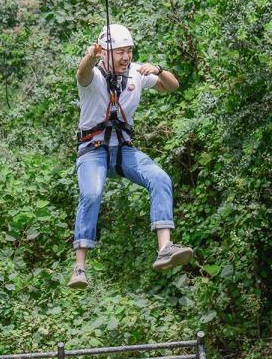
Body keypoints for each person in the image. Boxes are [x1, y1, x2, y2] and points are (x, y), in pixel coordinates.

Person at [68, 23, 194, 289]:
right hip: (93, 151)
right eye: (120, 52)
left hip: (123, 150)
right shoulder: (94, 79)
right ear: (106, 54)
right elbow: (82, 73)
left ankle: (165, 248)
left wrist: (159, 69)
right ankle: (79, 267)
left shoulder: (136, 74)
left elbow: (172, 86)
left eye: (130, 51)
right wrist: (91, 55)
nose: (126, 57)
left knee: (160, 178)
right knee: (91, 193)